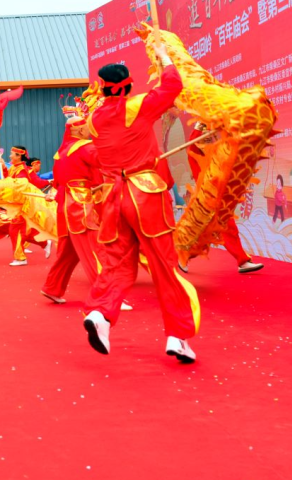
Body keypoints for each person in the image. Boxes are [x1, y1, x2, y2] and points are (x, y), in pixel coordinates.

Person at [82, 45, 200, 364]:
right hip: (144, 193)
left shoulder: (94, 119)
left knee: (116, 263)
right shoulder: (137, 107)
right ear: (128, 85)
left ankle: (101, 314)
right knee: (164, 265)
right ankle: (178, 336)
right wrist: (164, 58)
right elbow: (173, 85)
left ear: (103, 88)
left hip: (113, 197)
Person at [180, 124, 263, 275]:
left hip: (219, 200)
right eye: (206, 138)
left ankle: (242, 261)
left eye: (211, 138)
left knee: (229, 229)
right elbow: (193, 143)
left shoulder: (217, 155)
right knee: (202, 236)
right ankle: (184, 256)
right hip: (205, 200)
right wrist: (199, 127)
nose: (209, 141)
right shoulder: (195, 155)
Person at [41, 116, 102, 304]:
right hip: (80, 204)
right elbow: (104, 161)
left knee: (68, 252)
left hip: (66, 204)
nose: (90, 132)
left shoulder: (61, 153)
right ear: (81, 130)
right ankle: (106, 295)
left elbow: (58, 180)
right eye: (88, 128)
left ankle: (52, 288)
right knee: (94, 249)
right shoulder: (85, 147)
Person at [0, 145, 50, 266]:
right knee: (22, 230)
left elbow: (20, 185)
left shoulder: (22, 170)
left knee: (15, 230)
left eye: (12, 154)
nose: (10, 156)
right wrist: (4, 167)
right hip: (16, 204)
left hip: (21, 204)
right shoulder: (14, 167)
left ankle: (21, 258)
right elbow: (8, 178)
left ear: (18, 156)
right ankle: (43, 243)